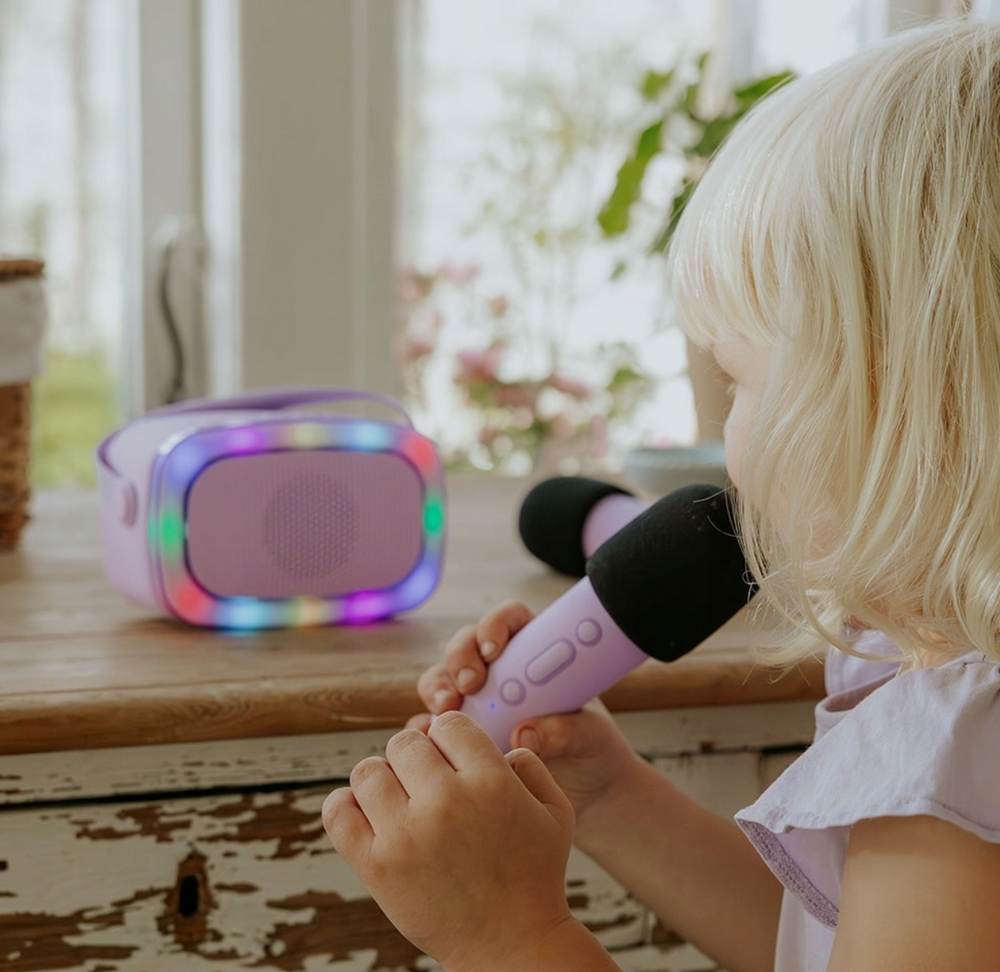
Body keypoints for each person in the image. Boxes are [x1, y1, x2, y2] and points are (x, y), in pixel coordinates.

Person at [322, 19, 1000, 972]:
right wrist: (612, 797)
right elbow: (832, 938)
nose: (728, 427)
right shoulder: (942, 698)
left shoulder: (954, 748)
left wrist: (506, 934)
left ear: (897, 405)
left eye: (737, 379)